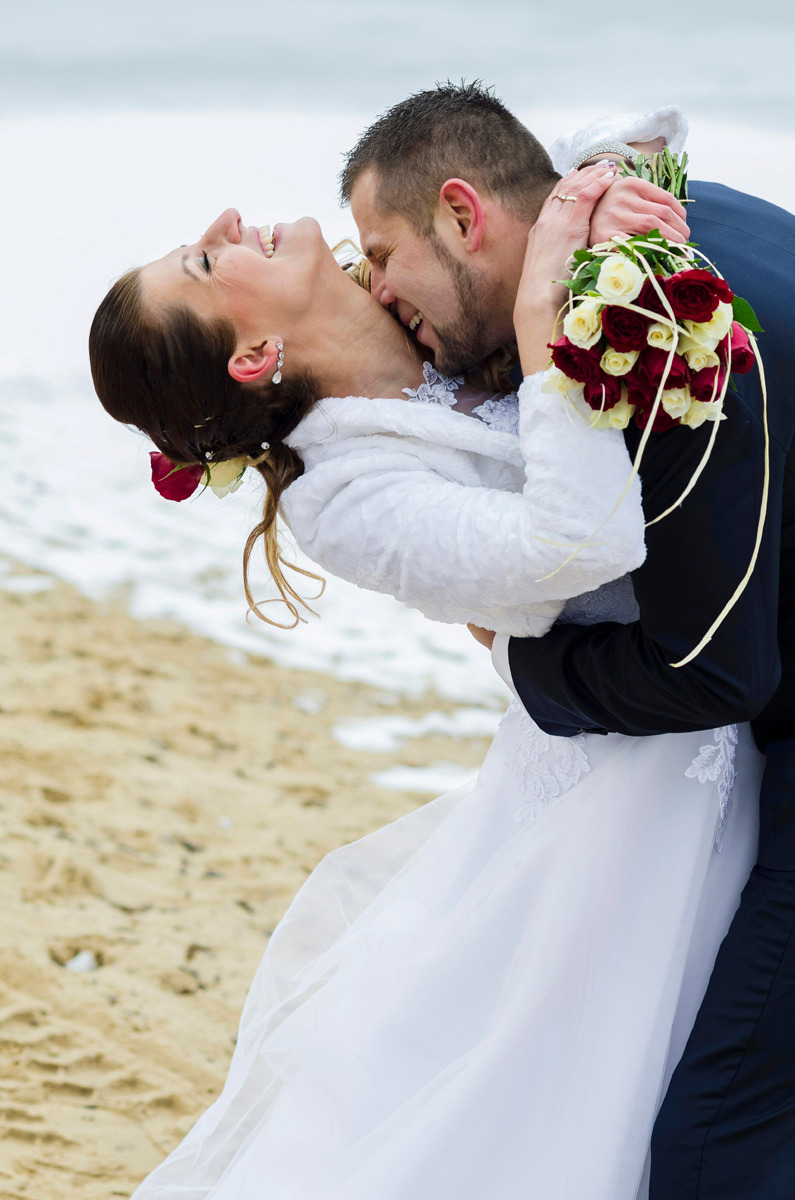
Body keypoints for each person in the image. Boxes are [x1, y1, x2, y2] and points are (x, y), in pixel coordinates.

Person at [88, 114, 761, 1200]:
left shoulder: (419, 300)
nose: (223, 223)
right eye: (208, 260)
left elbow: (564, 163)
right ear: (255, 357)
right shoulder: (345, 498)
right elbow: (579, 542)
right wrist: (548, 327)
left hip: (695, 705)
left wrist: (579, 205)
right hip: (639, 788)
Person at [344, 83, 795, 1198]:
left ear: (462, 214)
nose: (376, 291)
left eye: (381, 254)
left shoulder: (648, 334)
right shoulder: (674, 220)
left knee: (709, 1141)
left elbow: (714, 671)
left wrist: (515, 656)